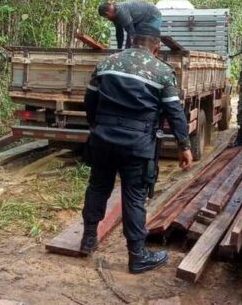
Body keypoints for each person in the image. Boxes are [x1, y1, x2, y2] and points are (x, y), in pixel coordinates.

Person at [80, 23, 194, 274]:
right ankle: (137, 256)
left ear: (132, 42)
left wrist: (96, 127)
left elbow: (89, 102)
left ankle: (88, 240)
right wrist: (184, 145)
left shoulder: (107, 64)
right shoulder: (162, 72)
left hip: (103, 140)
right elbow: (174, 112)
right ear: (157, 47)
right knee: (133, 197)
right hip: (137, 145)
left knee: (98, 187)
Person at [98, 0, 163, 49]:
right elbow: (119, 33)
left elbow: (131, 33)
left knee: (147, 39)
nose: (106, 18)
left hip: (153, 16)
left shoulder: (121, 13)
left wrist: (129, 50)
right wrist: (118, 50)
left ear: (107, 13)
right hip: (141, 20)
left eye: (105, 17)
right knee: (131, 42)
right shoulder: (114, 15)